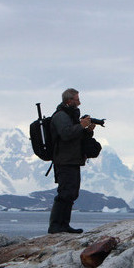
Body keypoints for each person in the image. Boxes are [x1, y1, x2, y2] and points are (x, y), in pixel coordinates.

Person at [48, 88, 96, 234]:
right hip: (64, 160)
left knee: (71, 193)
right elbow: (66, 134)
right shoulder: (61, 116)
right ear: (69, 101)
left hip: (73, 160)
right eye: (77, 99)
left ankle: (64, 224)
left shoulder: (70, 116)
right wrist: (81, 126)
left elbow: (75, 135)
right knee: (65, 193)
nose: (79, 103)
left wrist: (87, 130)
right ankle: (56, 225)